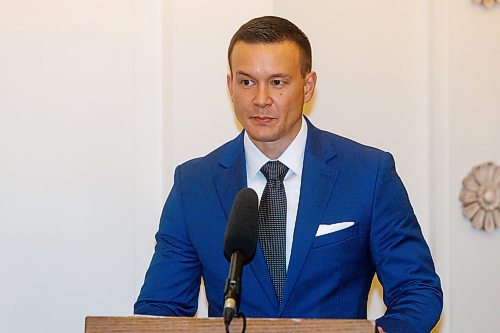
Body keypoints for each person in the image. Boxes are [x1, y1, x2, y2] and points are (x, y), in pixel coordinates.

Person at [134, 16, 443, 333]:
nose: (261, 99)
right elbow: (160, 307)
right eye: (247, 82)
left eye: (278, 82)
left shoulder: (368, 174)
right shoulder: (194, 185)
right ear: (230, 86)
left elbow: (417, 291)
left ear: (308, 86)